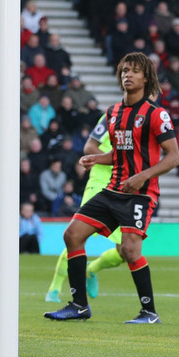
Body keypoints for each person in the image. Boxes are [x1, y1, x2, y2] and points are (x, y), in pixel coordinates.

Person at [44, 52, 179, 324]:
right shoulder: (113, 113)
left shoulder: (156, 114)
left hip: (140, 194)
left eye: (134, 71)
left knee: (130, 250)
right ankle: (79, 305)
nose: (127, 75)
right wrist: (97, 158)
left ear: (146, 77)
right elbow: (121, 154)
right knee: (72, 235)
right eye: (124, 71)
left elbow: (173, 156)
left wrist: (143, 177)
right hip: (113, 189)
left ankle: (149, 312)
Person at [45, 114, 127, 303]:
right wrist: (123, 160)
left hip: (124, 189)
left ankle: (92, 270)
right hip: (99, 185)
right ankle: (55, 289)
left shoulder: (145, 120)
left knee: (125, 250)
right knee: (77, 236)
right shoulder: (112, 116)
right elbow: (90, 146)